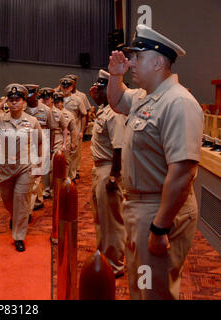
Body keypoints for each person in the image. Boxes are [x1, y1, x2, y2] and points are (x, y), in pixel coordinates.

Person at [107, 24, 203, 299]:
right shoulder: (144, 97)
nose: (131, 62)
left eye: (138, 56)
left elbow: (183, 173)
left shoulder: (178, 103)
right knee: (142, 285)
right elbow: (116, 102)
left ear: (158, 61)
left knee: (154, 290)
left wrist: (160, 226)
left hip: (159, 208)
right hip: (139, 205)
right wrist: (115, 76)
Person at [0, 83, 42, 252]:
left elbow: (40, 142)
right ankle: (16, 216)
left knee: (21, 200)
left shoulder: (32, 121)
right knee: (7, 200)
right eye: (11, 100)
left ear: (24, 102)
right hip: (4, 168)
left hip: (25, 167)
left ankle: (19, 236)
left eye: (17, 100)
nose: (14, 103)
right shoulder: (0, 119)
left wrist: (39, 162)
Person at [89, 69, 126, 278]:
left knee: (111, 220)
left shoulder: (114, 113)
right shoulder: (104, 109)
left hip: (107, 169)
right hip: (98, 169)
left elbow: (118, 147)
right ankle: (105, 256)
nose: (96, 91)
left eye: (101, 88)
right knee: (100, 217)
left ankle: (115, 264)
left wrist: (114, 175)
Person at [22, 84, 53, 211]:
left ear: (36, 95)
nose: (28, 98)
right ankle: (38, 199)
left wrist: (50, 148)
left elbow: (51, 129)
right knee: (30, 173)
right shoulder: (23, 110)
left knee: (36, 173)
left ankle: (30, 205)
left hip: (42, 141)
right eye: (26, 96)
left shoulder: (46, 110)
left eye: (30, 95)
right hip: (28, 143)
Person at [59, 77, 87, 180]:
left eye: (68, 86)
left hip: (74, 130)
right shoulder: (57, 99)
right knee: (62, 155)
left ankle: (71, 176)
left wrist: (82, 131)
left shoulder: (78, 99)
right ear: (61, 87)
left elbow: (84, 115)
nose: (65, 88)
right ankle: (63, 176)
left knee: (74, 154)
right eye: (63, 86)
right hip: (60, 132)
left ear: (72, 87)